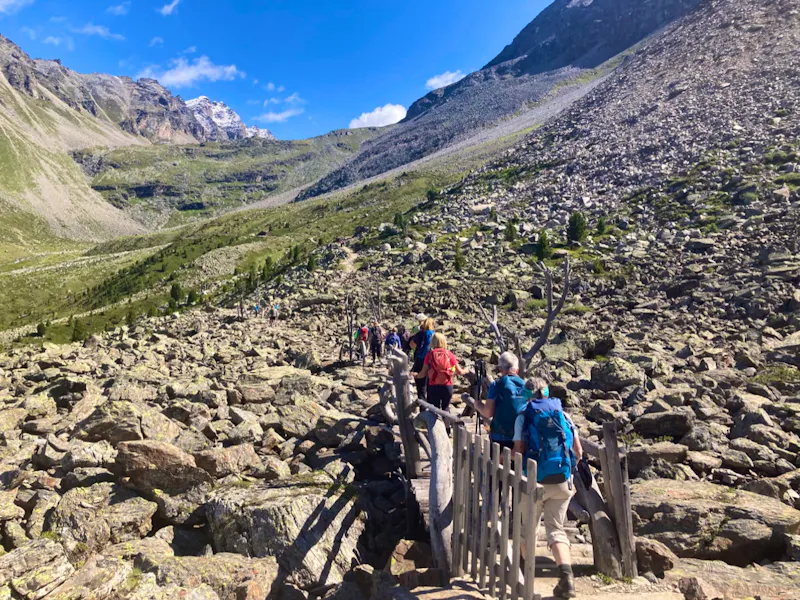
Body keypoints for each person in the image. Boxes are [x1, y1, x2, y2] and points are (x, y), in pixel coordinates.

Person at [513, 378, 582, 599]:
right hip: (562, 479)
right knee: (556, 528)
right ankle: (567, 578)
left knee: (527, 530)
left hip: (534, 480)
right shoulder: (564, 414)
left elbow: (518, 449)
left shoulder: (524, 415)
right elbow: (578, 452)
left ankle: (526, 580)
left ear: (528, 394)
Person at [464, 351, 527, 452]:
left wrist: (477, 405)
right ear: (517, 370)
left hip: (499, 435)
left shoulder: (497, 385)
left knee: (498, 465)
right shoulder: (526, 385)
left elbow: (488, 412)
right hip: (521, 436)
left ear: (501, 369)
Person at [414, 332, 467, 412]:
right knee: (446, 408)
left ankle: (436, 424)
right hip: (447, 385)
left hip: (433, 386)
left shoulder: (429, 355)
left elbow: (423, 373)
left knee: (435, 409)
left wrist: (416, 375)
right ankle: (446, 424)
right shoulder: (449, 354)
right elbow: (460, 371)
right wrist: (467, 370)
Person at [409, 317, 435, 400]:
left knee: (420, 385)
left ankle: (422, 405)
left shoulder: (420, 334)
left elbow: (411, 345)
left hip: (421, 359)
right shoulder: (435, 334)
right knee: (430, 384)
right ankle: (431, 405)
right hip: (432, 360)